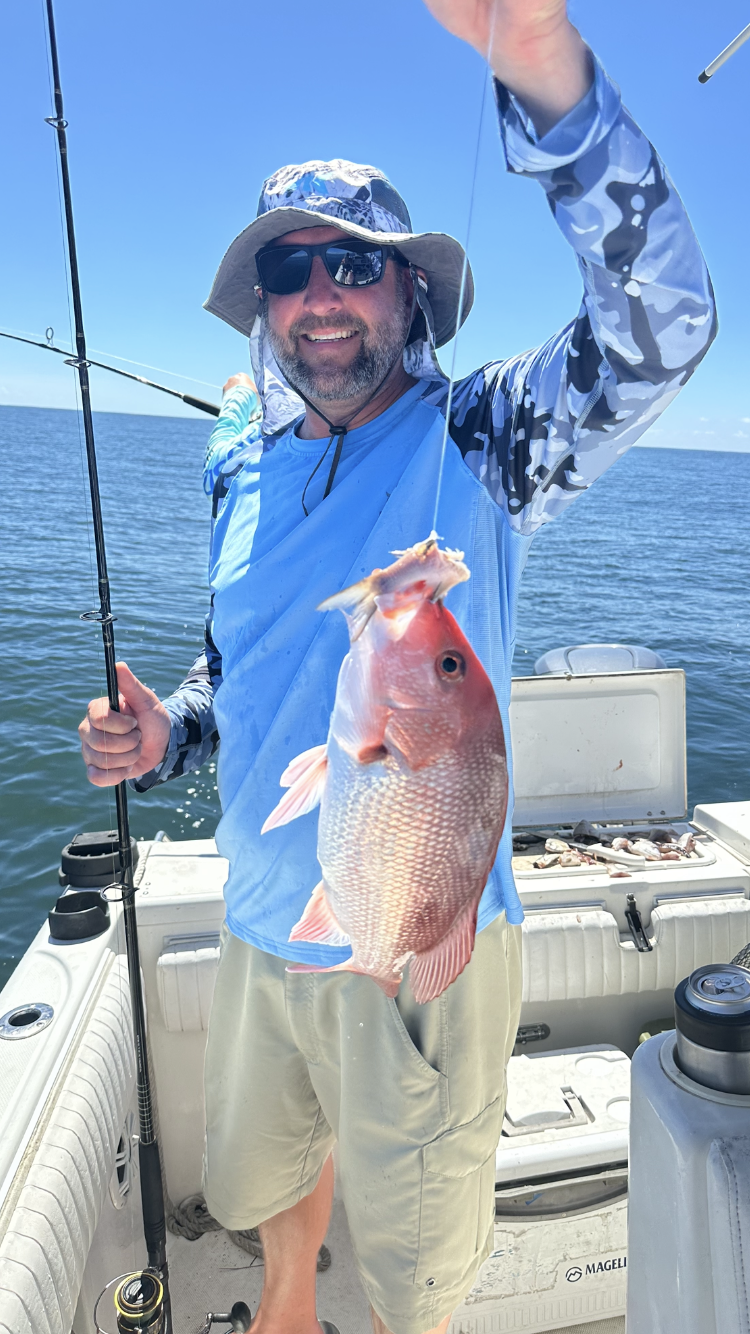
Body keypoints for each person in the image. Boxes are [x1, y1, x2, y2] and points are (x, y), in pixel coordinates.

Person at [78, 2, 716, 1333]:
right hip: (262, 930)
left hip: (422, 922)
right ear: (264, 302)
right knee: (268, 1185)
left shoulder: (479, 435)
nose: (319, 294)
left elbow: (661, 326)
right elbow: (236, 664)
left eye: (354, 266)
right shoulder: (237, 451)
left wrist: (539, 61)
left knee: (422, 1266)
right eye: (291, 268)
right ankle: (293, 1297)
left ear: (410, 292)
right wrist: (171, 734)